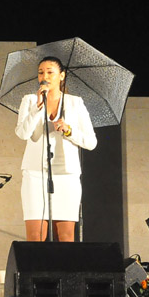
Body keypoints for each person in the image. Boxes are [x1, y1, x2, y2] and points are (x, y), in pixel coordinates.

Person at [15, 56, 97, 242]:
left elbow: (91, 142)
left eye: (50, 72)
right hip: (35, 174)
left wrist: (69, 130)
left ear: (62, 76)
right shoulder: (29, 100)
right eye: (41, 72)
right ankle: (36, 271)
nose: (45, 76)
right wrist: (38, 108)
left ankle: (64, 272)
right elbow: (22, 133)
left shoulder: (75, 103)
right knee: (36, 236)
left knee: (66, 236)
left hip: (66, 175)